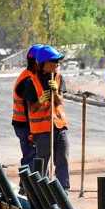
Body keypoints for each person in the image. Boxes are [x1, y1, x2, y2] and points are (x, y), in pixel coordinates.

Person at [16, 45, 71, 189]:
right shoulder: (31, 82)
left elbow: (61, 101)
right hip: (42, 131)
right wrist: (40, 101)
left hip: (59, 127)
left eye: (58, 61)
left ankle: (62, 191)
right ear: (43, 64)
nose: (57, 64)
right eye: (53, 61)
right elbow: (32, 109)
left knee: (62, 159)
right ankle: (41, 191)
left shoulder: (58, 78)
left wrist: (55, 92)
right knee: (42, 162)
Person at [12, 44, 43, 170]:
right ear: (36, 62)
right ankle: (25, 187)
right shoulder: (27, 80)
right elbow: (27, 108)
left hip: (23, 124)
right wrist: (32, 131)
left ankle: (25, 187)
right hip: (25, 125)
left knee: (31, 156)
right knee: (30, 156)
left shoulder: (29, 75)